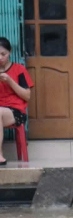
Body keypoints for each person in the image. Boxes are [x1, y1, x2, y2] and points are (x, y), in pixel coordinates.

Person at [0, 37, 31, 167]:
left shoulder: (19, 70)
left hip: (16, 111)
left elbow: (27, 96)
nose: (0, 57)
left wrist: (10, 81)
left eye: (3, 54)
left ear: (10, 53)